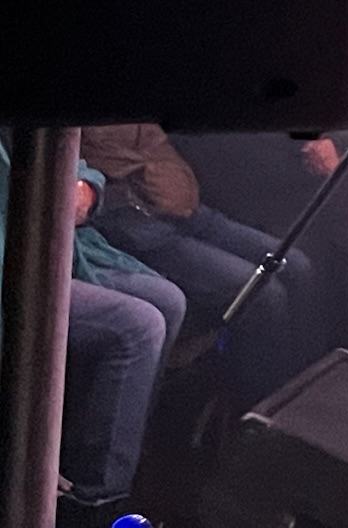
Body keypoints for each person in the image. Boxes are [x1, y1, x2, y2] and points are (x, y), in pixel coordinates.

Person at [0, 136, 186, 528]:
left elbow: (70, 156)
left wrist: (86, 188)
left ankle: (111, 451)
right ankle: (94, 502)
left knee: (169, 301)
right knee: (138, 327)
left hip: (63, 247)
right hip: (13, 263)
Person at [80, 123, 324, 416]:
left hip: (186, 206)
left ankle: (301, 404)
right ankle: (258, 419)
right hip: (136, 221)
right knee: (263, 293)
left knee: (297, 266)